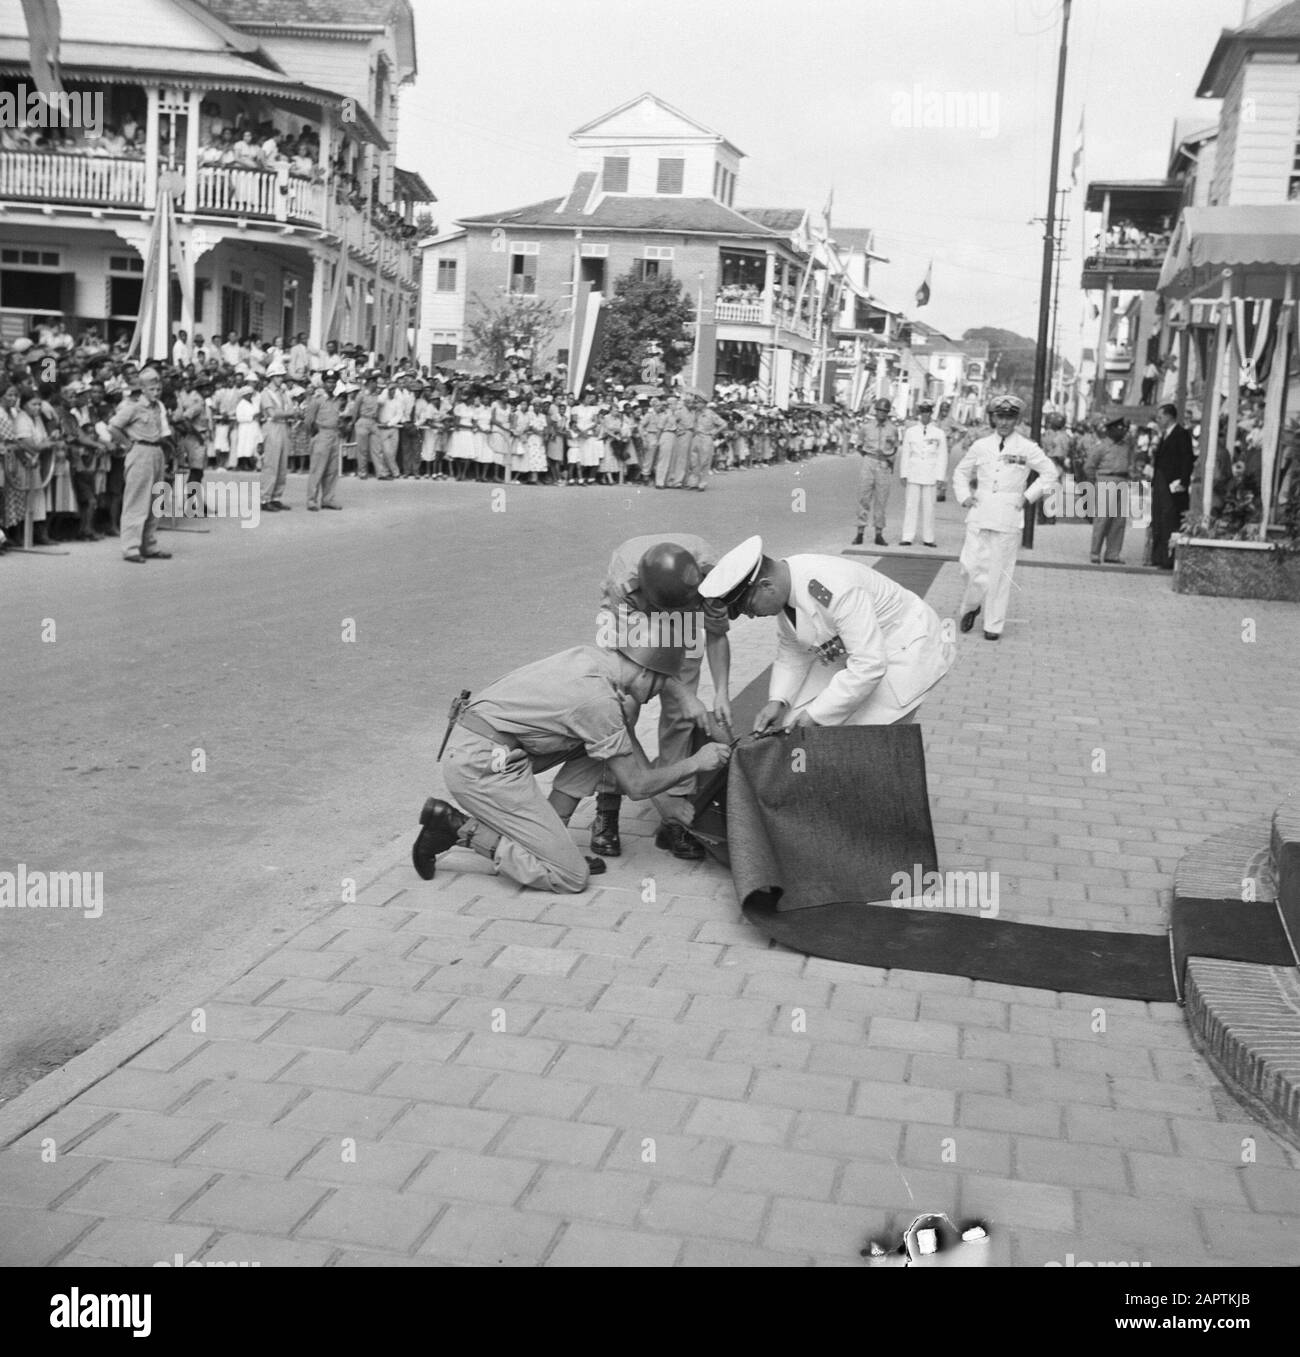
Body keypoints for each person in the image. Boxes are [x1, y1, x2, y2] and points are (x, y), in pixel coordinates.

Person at [410, 644, 731, 894]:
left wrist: (668, 804)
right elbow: (636, 786)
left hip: (484, 746)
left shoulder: (597, 662)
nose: (659, 692)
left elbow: (625, 746)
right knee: (570, 876)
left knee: (602, 747)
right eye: (663, 683)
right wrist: (696, 762)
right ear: (646, 671)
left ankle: (554, 839)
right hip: (479, 765)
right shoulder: (600, 703)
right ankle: (456, 828)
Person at [700, 535, 954, 728]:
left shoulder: (832, 587)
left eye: (749, 608)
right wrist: (778, 700)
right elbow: (793, 650)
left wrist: (815, 716)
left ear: (766, 586)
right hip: (861, 646)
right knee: (800, 715)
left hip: (906, 644)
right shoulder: (784, 586)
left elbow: (869, 665)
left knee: (875, 735)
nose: (753, 616)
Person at [591, 536, 734, 862]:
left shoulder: (710, 575)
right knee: (619, 710)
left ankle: (675, 820)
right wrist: (684, 696)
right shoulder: (624, 584)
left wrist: (722, 692)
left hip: (685, 623)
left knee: (681, 719)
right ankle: (607, 807)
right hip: (632, 622)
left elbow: (716, 632)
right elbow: (638, 670)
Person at [951, 395, 1059, 640]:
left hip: (1008, 514)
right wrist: (964, 495)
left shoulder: (1026, 447)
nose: (1004, 423)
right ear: (993, 418)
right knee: (969, 566)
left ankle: (993, 624)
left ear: (1017, 420)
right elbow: (961, 472)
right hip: (980, 511)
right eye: (1000, 417)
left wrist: (1028, 496)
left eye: (1010, 417)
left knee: (1000, 572)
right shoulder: (981, 445)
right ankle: (972, 605)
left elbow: (1050, 473)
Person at [108, 368, 172, 563]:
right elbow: (113, 427)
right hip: (140, 450)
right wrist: (127, 444)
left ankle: (149, 544)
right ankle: (131, 547)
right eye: (152, 389)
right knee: (137, 500)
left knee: (155, 500)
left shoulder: (157, 408)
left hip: (156, 451)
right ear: (142, 389)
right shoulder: (133, 407)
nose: (156, 392)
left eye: (158, 388)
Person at [1084, 416, 1137, 564]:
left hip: (1122, 481)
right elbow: (1089, 466)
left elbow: (1131, 462)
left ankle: (1112, 553)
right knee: (1102, 519)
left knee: (1119, 521)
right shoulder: (1101, 446)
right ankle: (1095, 552)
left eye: (1124, 428)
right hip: (1105, 481)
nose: (1123, 431)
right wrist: (1095, 482)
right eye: (1120, 428)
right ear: (1110, 430)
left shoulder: (1126, 446)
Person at [1150, 403, 1195, 570]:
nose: (1158, 420)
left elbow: (1186, 459)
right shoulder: (1164, 435)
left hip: (1172, 484)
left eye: (1160, 417)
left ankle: (1168, 558)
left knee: (1169, 519)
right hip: (1161, 481)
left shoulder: (1181, 434)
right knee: (1158, 518)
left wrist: (1183, 482)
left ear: (1169, 417)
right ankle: (1157, 556)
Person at [898, 398, 947, 546]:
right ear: (919, 413)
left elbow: (942, 455)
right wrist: (903, 473)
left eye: (928, 412)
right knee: (911, 506)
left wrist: (940, 476)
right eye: (923, 411)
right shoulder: (911, 432)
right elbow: (906, 453)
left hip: (930, 473)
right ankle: (907, 536)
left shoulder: (939, 433)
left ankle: (929, 538)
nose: (925, 414)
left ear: (931, 413)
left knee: (929, 507)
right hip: (914, 472)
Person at [851, 398, 899, 546]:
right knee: (864, 497)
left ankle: (879, 533)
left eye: (885, 411)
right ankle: (860, 532)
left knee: (881, 500)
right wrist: (868, 457)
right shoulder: (866, 427)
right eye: (879, 410)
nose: (882, 414)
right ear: (875, 411)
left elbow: (895, 448)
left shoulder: (892, 429)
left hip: (884, 463)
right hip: (869, 461)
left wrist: (889, 462)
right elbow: (858, 444)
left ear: (888, 413)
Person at [301, 372, 350, 510]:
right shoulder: (317, 399)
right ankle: (311, 499)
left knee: (332, 469)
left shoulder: (336, 400)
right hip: (321, 435)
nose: (331, 385)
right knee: (317, 469)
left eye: (333, 382)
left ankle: (328, 499)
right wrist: (314, 435)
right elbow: (308, 420)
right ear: (323, 383)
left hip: (334, 435)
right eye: (328, 382)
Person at [258, 363, 294, 511]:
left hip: (283, 425)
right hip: (272, 426)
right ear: (271, 377)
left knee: (282, 464)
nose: (280, 379)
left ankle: (276, 496)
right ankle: (265, 498)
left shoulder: (284, 392)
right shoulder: (266, 393)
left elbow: (289, 408)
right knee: (271, 464)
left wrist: (290, 413)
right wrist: (291, 414)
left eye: (281, 376)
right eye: (277, 376)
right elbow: (272, 413)